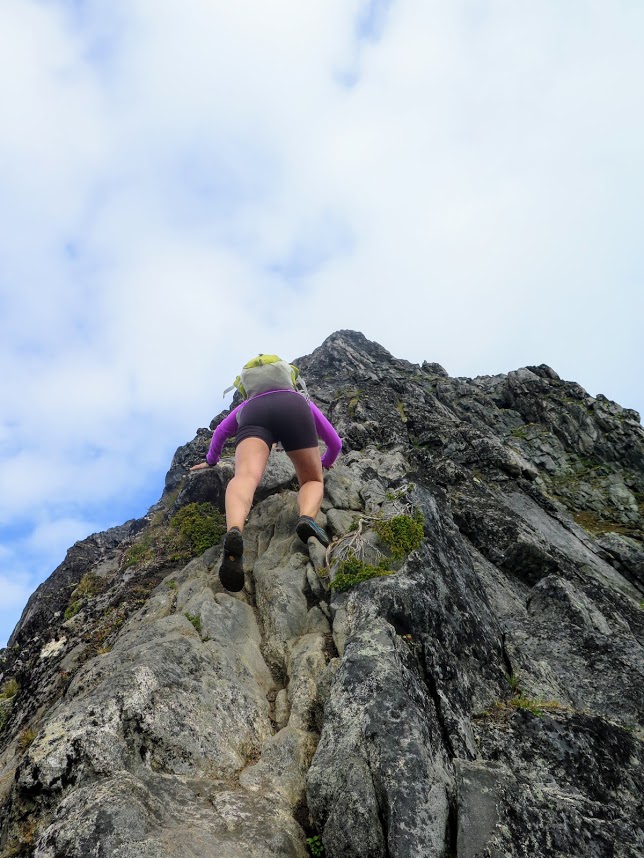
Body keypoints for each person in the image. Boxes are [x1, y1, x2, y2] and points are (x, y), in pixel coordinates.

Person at [190, 387, 342, 591]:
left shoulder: (247, 405)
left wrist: (211, 460)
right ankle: (306, 518)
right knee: (311, 480)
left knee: (245, 476)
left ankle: (234, 530)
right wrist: (325, 461)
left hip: (254, 414)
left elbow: (220, 432)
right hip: (294, 407)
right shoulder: (299, 397)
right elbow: (335, 443)